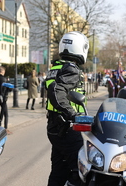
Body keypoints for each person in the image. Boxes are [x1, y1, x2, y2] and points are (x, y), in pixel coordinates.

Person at [45, 31, 89, 186]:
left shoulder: (56, 67)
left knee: (59, 171)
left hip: (54, 127)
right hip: (68, 128)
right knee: (82, 171)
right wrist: (71, 114)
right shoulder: (72, 69)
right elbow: (57, 91)